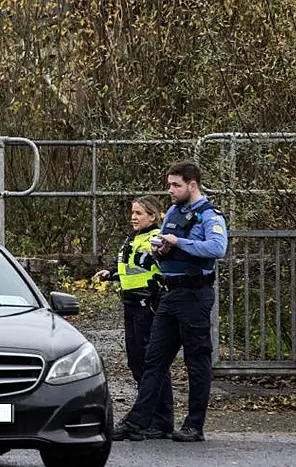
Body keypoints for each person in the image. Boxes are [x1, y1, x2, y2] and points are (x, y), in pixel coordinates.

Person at [113, 160, 228, 443]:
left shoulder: (209, 215)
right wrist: (162, 249)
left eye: (176, 185)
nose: (171, 190)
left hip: (195, 293)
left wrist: (178, 242)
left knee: (196, 360)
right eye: (169, 185)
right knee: (153, 360)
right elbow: (163, 247)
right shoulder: (174, 212)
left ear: (192, 185)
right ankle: (139, 422)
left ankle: (194, 425)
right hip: (170, 293)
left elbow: (217, 248)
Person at [93, 195, 173, 439]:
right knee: (137, 363)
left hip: (147, 304)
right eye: (132, 212)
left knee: (152, 364)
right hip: (131, 304)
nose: (133, 217)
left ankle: (161, 420)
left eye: (139, 213)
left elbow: (156, 263)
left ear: (153, 216)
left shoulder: (155, 238)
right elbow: (131, 267)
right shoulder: (134, 238)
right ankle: (151, 417)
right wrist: (112, 273)